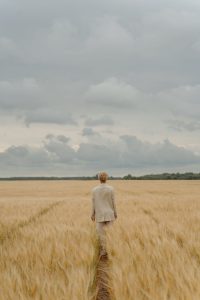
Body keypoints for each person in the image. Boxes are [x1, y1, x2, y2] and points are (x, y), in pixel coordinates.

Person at [91, 171, 117, 256]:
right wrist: (115, 213)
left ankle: (103, 251)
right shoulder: (111, 189)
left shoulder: (94, 190)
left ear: (98, 179)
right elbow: (113, 202)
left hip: (99, 214)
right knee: (110, 234)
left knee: (101, 235)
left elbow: (93, 203)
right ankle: (110, 250)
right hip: (109, 214)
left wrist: (92, 214)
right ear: (107, 178)